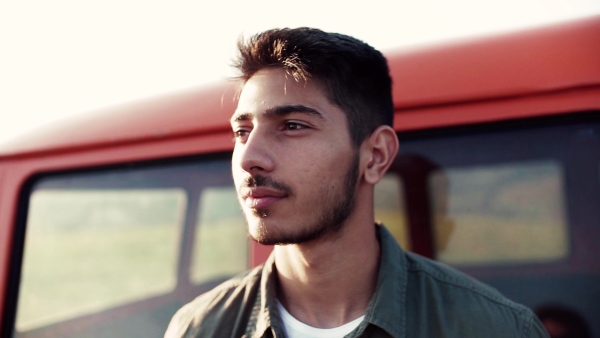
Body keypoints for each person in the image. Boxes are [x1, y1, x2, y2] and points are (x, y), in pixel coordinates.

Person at [165, 27, 549, 338]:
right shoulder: (200, 328)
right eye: (242, 131)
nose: (249, 157)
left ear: (376, 155)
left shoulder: (493, 328)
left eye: (293, 126)